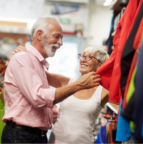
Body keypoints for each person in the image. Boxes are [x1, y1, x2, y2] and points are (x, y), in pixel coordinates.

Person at [1, 16, 100, 144]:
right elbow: (39, 98)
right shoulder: (23, 58)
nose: (61, 43)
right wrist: (79, 85)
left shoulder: (38, 64)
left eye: (62, 38)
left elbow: (46, 111)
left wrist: (79, 126)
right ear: (40, 34)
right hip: (21, 136)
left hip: (36, 136)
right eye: (57, 36)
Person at [13, 45, 110, 144]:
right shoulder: (67, 82)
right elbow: (37, 72)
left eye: (89, 57)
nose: (83, 60)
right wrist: (25, 54)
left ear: (100, 65)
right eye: (82, 56)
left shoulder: (104, 92)